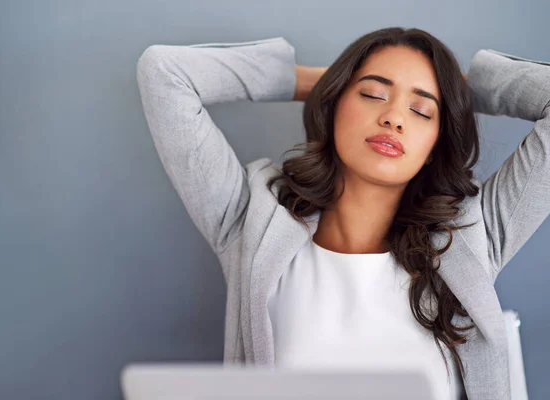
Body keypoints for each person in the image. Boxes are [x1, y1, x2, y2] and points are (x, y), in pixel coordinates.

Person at [135, 27, 550, 400]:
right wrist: (321, 83)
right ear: (333, 107)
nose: (393, 118)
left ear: (434, 147)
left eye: (422, 111)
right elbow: (165, 73)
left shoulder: (474, 236)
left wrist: (460, 91)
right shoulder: (249, 222)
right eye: (372, 93)